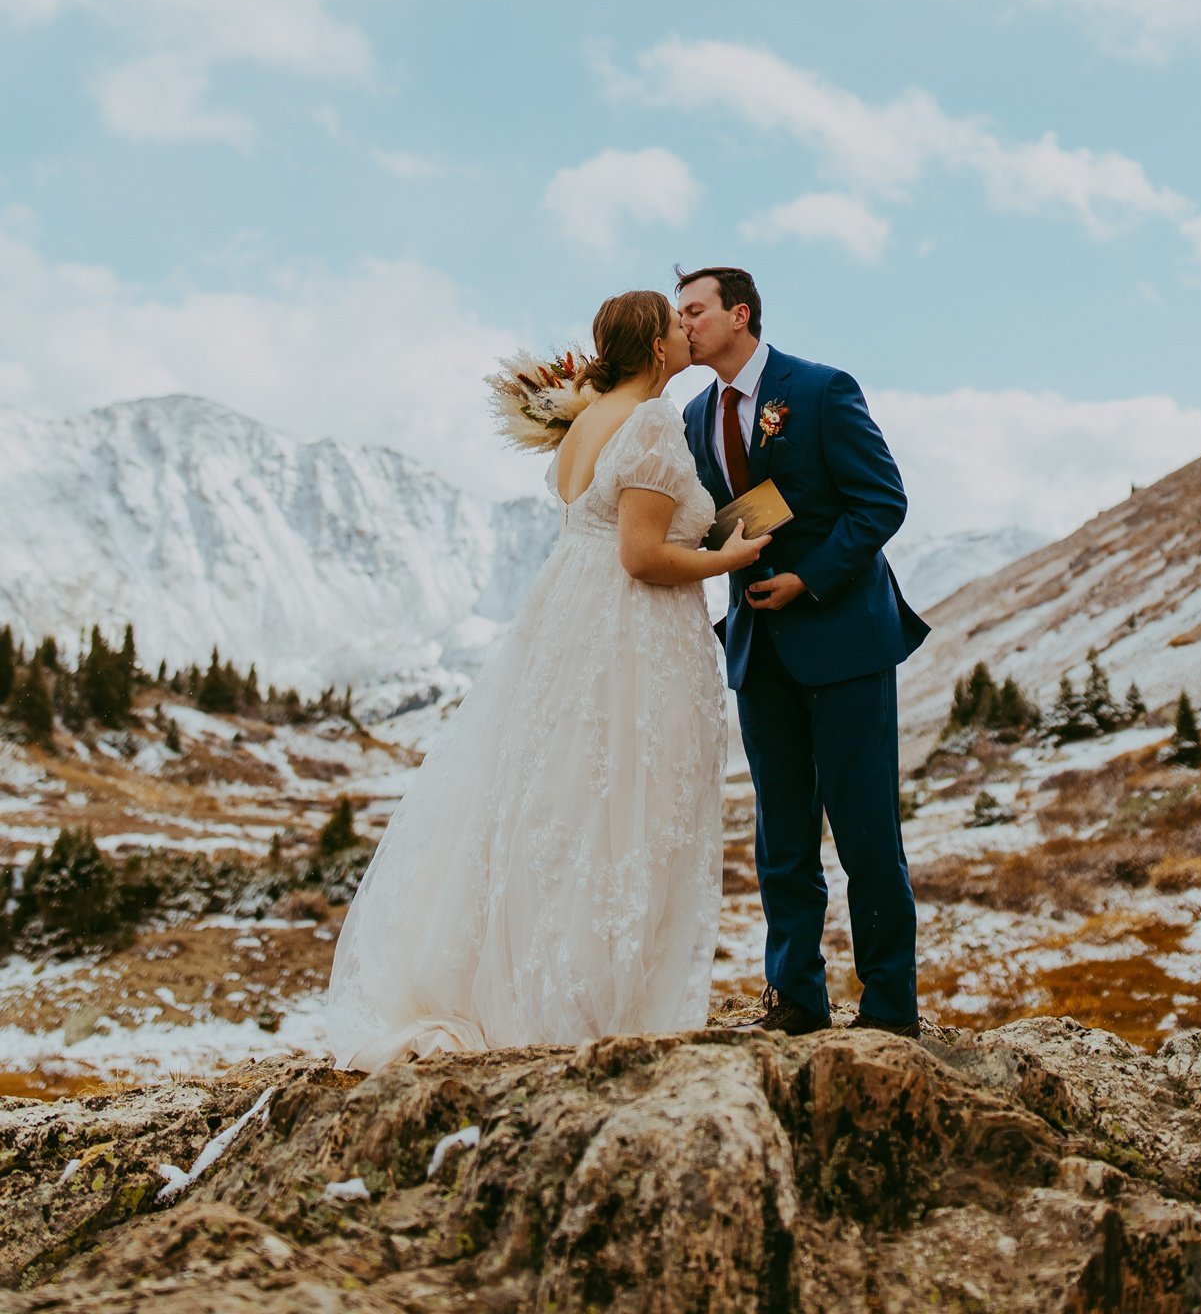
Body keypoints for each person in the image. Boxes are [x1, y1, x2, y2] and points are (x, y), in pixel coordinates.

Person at [323, 289, 767, 1068]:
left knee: (564, 804)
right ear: (657, 350)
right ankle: (594, 999)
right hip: (633, 630)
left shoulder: (584, 422)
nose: (685, 334)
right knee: (625, 807)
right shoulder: (653, 420)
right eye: (675, 325)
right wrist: (730, 557)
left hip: (573, 621)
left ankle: (539, 976)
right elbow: (642, 555)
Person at [677, 265, 931, 1036]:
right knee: (780, 838)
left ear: (738, 315)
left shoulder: (820, 390)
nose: (682, 325)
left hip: (844, 637)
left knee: (864, 835)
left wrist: (807, 579)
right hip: (757, 648)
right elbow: (720, 521)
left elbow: (881, 500)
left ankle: (889, 1010)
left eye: (694, 311)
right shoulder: (693, 414)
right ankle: (794, 1000)